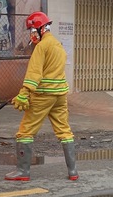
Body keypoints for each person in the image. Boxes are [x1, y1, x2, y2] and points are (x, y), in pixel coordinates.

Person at [7, 11, 77, 181]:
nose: (31, 35)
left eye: (32, 31)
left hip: (43, 96)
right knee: (64, 131)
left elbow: (34, 73)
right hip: (60, 96)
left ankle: (23, 172)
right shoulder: (58, 45)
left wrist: (24, 94)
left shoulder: (41, 47)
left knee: (25, 131)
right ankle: (73, 172)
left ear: (41, 28)